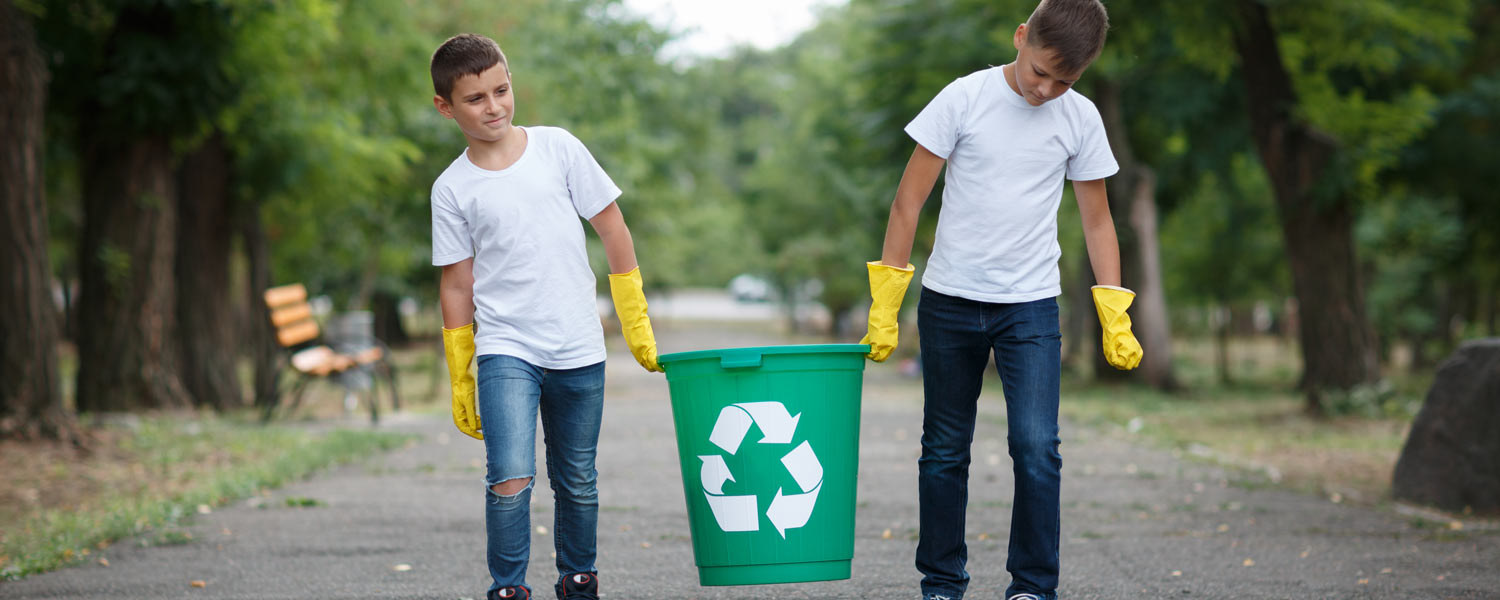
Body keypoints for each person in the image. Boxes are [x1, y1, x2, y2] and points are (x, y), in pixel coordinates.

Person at [857, 2, 1143, 599]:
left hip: (1031, 306)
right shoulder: (962, 99)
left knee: (1036, 447)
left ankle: (1033, 587)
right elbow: (909, 202)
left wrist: (1114, 310)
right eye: (1041, 71)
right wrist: (887, 298)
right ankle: (941, 581)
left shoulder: (1081, 118)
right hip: (949, 300)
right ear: (1021, 37)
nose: (1046, 89)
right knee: (943, 449)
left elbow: (1097, 221)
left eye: (1064, 80)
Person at [429, 33, 662, 600]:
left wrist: (633, 317)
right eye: (476, 98)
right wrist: (461, 370)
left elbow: (612, 227)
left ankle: (578, 580)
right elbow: (458, 282)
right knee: (510, 477)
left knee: (576, 478)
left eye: (501, 91)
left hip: (578, 344)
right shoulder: (451, 187)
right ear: (445, 107)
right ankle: (508, 589)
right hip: (506, 347)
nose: (494, 107)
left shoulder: (558, 148)